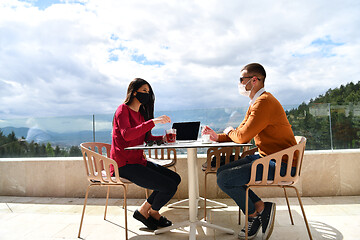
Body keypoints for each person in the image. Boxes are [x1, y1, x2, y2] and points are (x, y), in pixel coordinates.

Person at [202, 63, 297, 240]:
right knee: (223, 171)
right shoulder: (256, 102)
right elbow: (241, 132)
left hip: (281, 164)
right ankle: (260, 207)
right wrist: (218, 137)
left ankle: (253, 215)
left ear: (254, 80)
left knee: (225, 179)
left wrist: (229, 129)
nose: (239, 84)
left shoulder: (264, 102)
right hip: (268, 157)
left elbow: (243, 137)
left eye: (241, 80)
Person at [110, 78, 181, 230]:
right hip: (123, 165)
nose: (147, 95)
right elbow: (127, 135)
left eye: (149, 92)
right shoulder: (122, 110)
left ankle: (146, 210)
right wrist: (153, 122)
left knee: (175, 178)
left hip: (137, 162)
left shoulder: (141, 115)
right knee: (168, 186)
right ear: (134, 92)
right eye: (144, 91)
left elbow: (146, 138)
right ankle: (151, 212)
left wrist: (163, 139)